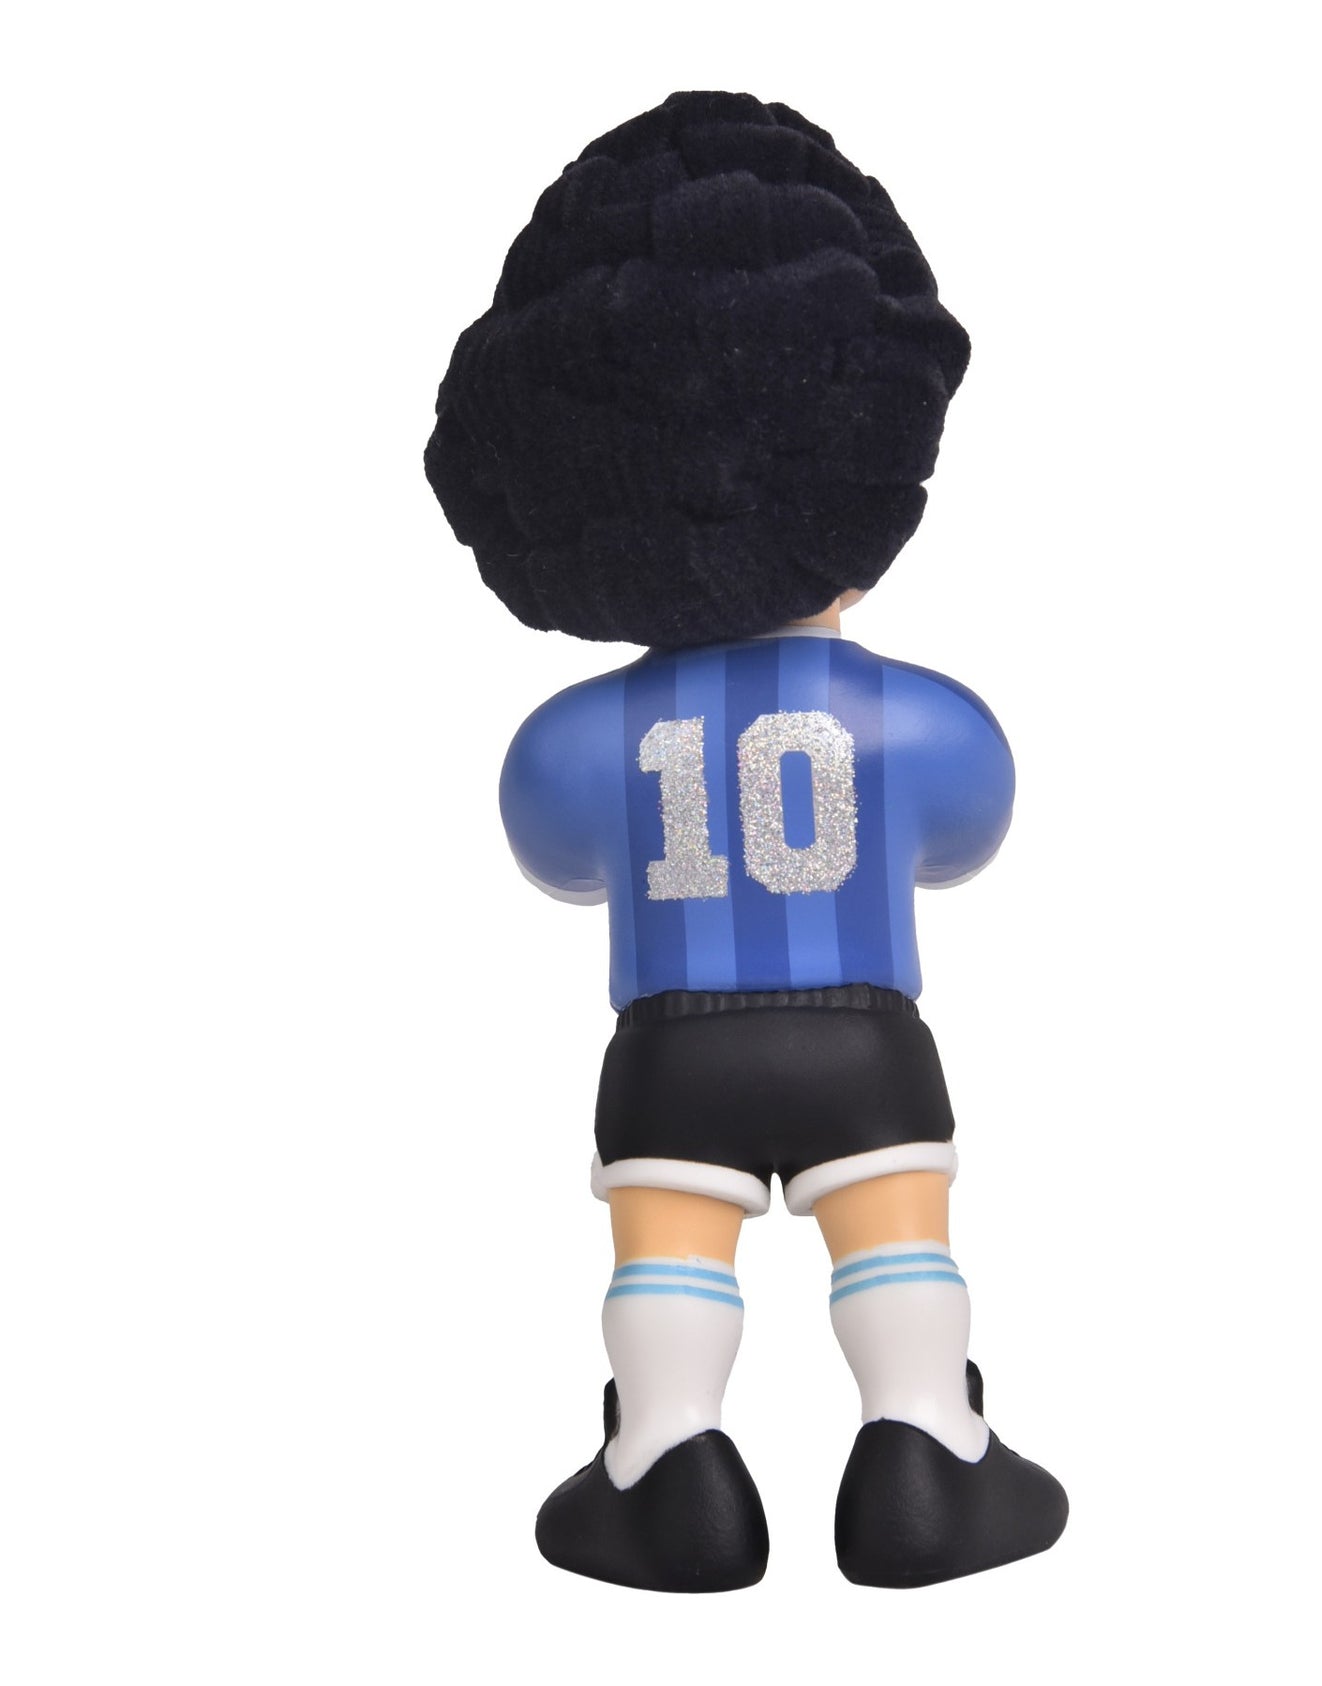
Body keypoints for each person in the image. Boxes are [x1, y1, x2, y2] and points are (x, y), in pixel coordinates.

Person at [426, 89, 1067, 1590]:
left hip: (671, 1050)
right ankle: (924, 1445)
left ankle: (665, 1462)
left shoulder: (578, 738)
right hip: (862, 1038)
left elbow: (554, 847)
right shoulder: (921, 720)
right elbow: (966, 829)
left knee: (664, 1240)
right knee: (897, 1225)